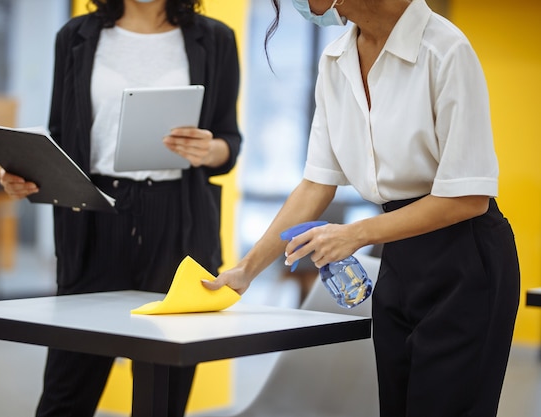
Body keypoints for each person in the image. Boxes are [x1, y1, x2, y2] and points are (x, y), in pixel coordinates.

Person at [203, 1, 519, 416]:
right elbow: (317, 182)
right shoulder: (336, 60)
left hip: (466, 259)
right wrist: (247, 268)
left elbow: (468, 197)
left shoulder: (445, 51)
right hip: (399, 253)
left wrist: (355, 233)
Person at [0, 0, 241, 416]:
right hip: (96, 217)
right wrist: (27, 172)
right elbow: (61, 135)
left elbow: (229, 142)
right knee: (66, 390)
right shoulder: (76, 36)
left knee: (163, 394)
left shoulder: (215, 38)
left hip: (178, 223)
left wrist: (210, 149)